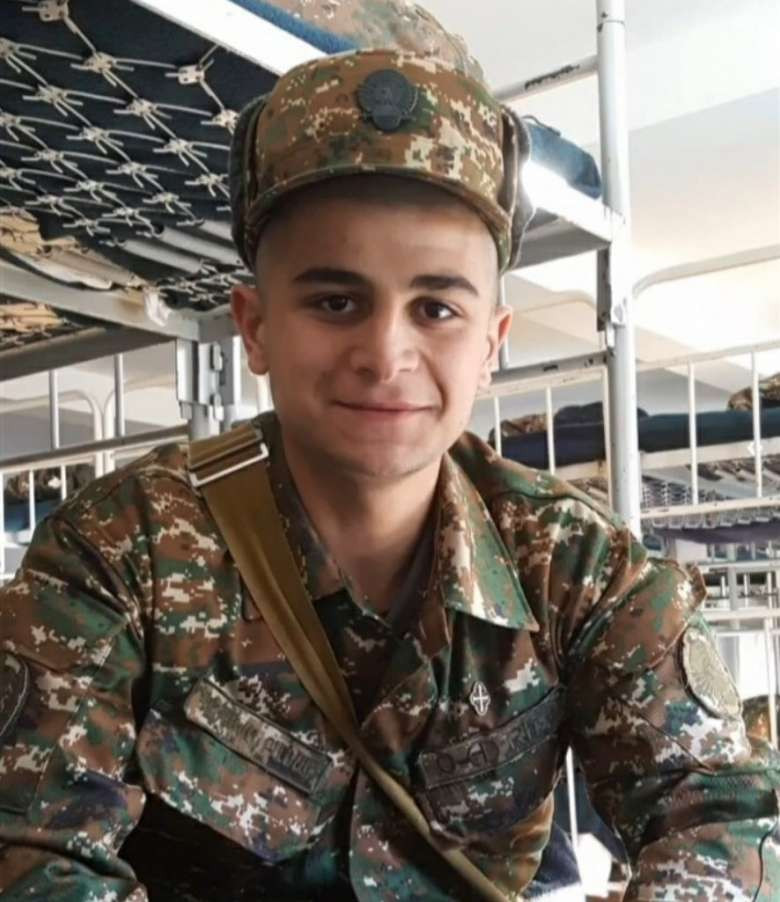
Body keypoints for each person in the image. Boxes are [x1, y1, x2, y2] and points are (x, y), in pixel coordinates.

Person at [1, 46, 779, 902]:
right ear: (254, 327)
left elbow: (725, 818)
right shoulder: (119, 551)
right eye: (335, 302)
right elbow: (31, 854)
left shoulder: (578, 569)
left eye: (436, 309)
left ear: (491, 342)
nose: (385, 355)